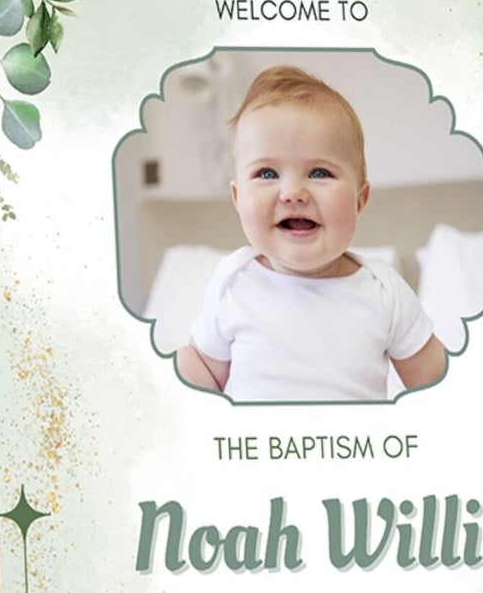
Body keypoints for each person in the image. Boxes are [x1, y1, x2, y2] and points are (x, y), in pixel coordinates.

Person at [176, 66, 447, 402]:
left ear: (359, 199)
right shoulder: (233, 284)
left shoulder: (384, 293)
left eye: (319, 172)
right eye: (267, 172)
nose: (292, 192)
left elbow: (439, 386)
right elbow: (200, 370)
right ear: (238, 198)